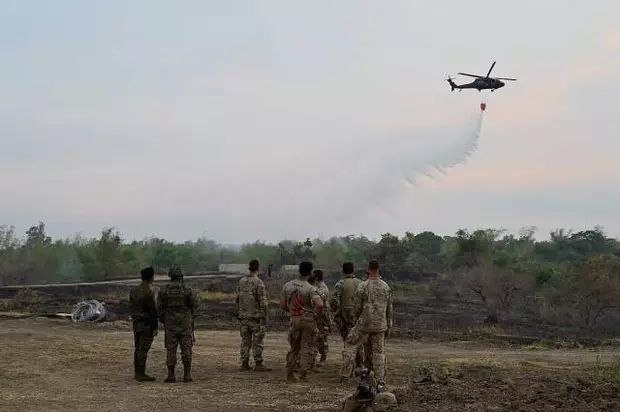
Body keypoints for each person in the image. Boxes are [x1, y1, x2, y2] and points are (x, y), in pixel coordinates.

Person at [340, 260, 393, 388]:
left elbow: (357, 308)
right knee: (379, 352)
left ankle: (345, 375)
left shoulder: (363, 286)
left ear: (368, 269)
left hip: (364, 323)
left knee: (351, 344)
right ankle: (380, 380)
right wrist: (389, 325)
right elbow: (389, 309)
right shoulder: (386, 287)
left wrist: (355, 320)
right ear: (378, 269)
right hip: (380, 324)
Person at [280, 261, 324, 382]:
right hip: (308, 320)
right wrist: (315, 315)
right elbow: (320, 304)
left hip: (294, 319)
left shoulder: (287, 286)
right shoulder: (310, 288)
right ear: (310, 272)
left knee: (294, 347)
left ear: (299, 270)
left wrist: (291, 311)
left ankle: (290, 374)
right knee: (307, 347)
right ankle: (303, 375)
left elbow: (283, 305)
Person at [157, 265, 199, 383]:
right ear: (181, 276)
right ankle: (187, 375)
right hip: (185, 324)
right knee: (186, 349)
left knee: (171, 349)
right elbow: (195, 304)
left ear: (170, 276)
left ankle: (171, 375)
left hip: (170, 324)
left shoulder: (164, 290)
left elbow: (159, 308)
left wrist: (164, 319)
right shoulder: (187, 290)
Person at [236, 259, 271, 372]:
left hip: (244, 316)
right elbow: (263, 302)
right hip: (255, 317)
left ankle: (244, 363)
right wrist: (264, 316)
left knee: (245, 341)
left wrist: (240, 312)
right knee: (257, 341)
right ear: (258, 268)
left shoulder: (241, 281)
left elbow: (237, 299)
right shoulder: (258, 282)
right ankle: (258, 363)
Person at [330, 262, 363, 366]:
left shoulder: (340, 283)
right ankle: (359, 364)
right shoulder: (361, 283)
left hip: (345, 319)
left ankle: (348, 366)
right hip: (359, 319)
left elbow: (334, 302)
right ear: (353, 270)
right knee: (358, 342)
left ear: (343, 271)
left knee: (348, 342)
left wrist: (336, 311)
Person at [129, 266, 158, 382]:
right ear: (151, 277)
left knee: (137, 348)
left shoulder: (134, 290)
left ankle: (138, 372)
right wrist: (155, 326)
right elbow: (152, 311)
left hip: (136, 323)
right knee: (143, 349)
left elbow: (131, 306)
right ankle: (141, 373)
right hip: (146, 324)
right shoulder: (149, 292)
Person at [312, 269, 331, 366]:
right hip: (317, 315)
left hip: (322, 316)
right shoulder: (316, 287)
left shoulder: (322, 288)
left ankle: (323, 357)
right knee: (316, 337)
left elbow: (321, 303)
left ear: (316, 277)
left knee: (322, 337)